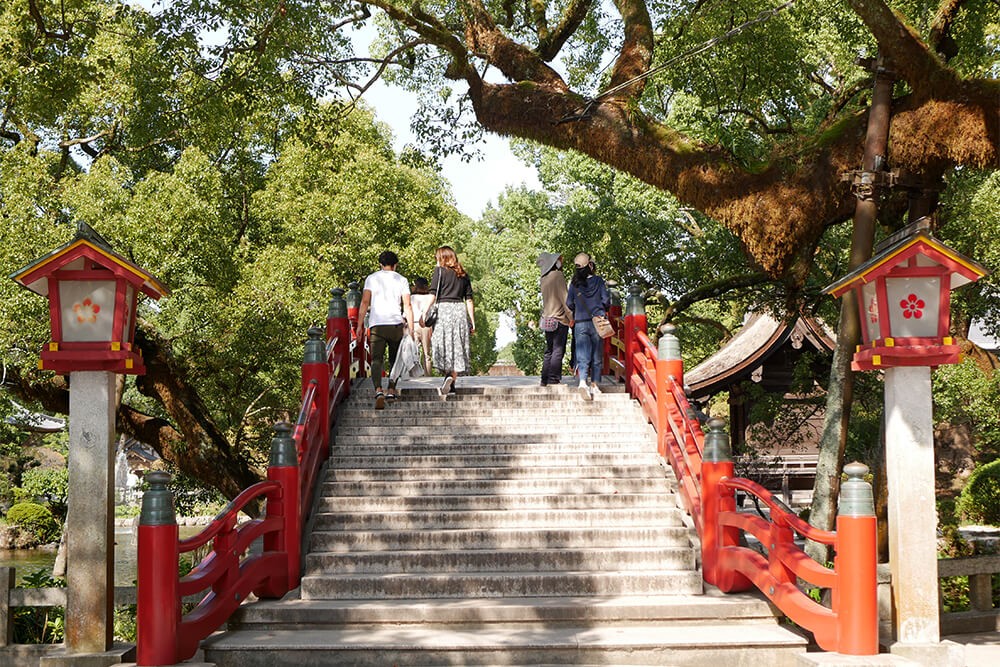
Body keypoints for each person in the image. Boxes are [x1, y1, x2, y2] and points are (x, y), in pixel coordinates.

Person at [356, 251, 414, 409]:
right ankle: (391, 388)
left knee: (376, 359)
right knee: (395, 360)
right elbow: (407, 305)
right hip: (395, 324)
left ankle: (378, 390)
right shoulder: (402, 280)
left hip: (377, 324)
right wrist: (412, 329)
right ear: (395, 265)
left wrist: (360, 325)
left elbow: (365, 302)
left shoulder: (372, 278)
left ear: (380, 264)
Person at [422, 245, 475, 395]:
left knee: (443, 343)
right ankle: (451, 381)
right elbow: (469, 300)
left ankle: (447, 376)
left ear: (442, 258)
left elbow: (432, 294)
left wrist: (424, 313)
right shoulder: (463, 274)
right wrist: (472, 321)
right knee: (457, 344)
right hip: (459, 310)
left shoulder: (439, 271)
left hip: (443, 310)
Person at [566, 252, 610, 400]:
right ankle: (595, 385)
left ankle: (583, 382)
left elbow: (569, 304)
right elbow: (606, 301)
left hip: (580, 323)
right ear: (590, 265)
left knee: (582, 354)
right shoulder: (598, 281)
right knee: (597, 355)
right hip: (597, 322)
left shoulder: (574, 284)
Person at [537, 252, 572, 386]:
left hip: (547, 318)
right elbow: (565, 299)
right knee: (558, 350)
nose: (561, 262)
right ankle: (553, 379)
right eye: (559, 260)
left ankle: (544, 379)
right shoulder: (558, 276)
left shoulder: (543, 278)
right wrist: (571, 317)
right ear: (554, 263)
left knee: (549, 350)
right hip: (559, 318)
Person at [410, 276, 435, 376]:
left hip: (414, 324)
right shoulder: (430, 297)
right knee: (427, 354)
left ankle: (414, 375)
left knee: (414, 353)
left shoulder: (412, 298)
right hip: (426, 325)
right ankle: (428, 375)